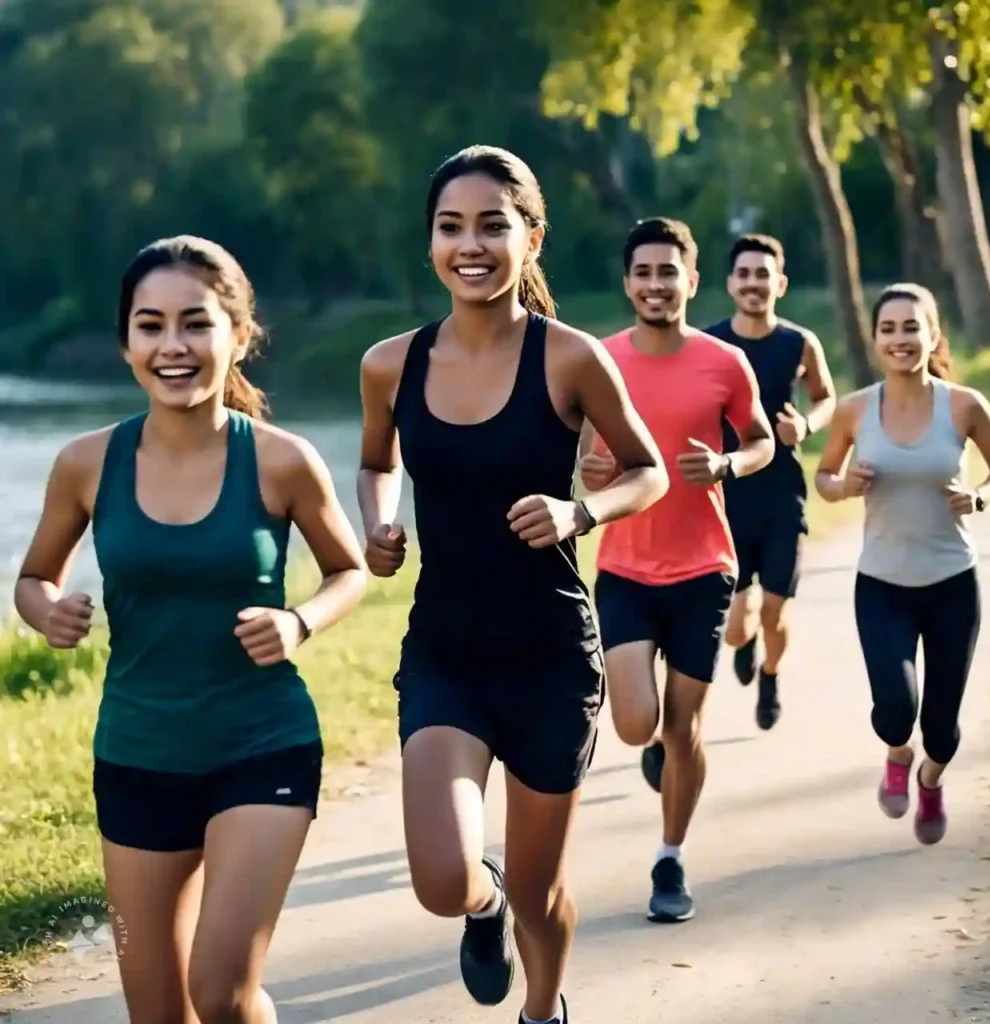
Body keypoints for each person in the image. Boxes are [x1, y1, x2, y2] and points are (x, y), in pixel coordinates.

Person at [13, 235, 369, 1024]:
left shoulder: (281, 461)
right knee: (157, 1014)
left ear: (239, 335)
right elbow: (33, 579)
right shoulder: (85, 464)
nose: (173, 346)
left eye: (196, 324)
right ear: (126, 342)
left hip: (262, 748)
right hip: (138, 757)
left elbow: (351, 572)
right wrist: (48, 613)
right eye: (150, 325)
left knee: (221, 991)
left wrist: (298, 620)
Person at [357, 146, 668, 1024]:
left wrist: (581, 514)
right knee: (442, 878)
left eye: (494, 225)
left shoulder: (569, 358)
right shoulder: (391, 365)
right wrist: (381, 525)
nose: (472, 245)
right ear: (430, 245)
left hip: (550, 660)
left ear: (531, 238)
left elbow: (647, 472)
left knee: (542, 892)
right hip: (446, 653)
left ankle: (542, 1010)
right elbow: (377, 464)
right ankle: (479, 907)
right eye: (451, 227)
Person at [579, 217, 775, 923]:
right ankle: (658, 753)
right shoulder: (598, 361)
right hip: (627, 565)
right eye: (644, 273)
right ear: (628, 283)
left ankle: (670, 858)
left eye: (669, 272)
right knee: (637, 724)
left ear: (691, 281)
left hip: (703, 567)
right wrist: (588, 474)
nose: (656, 285)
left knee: (684, 726)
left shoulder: (725, 363)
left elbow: (760, 443)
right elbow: (578, 458)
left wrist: (726, 463)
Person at [814, 282, 990, 845]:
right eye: (889, 329)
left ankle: (930, 777)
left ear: (932, 335)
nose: (900, 339)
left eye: (911, 328)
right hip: (882, 584)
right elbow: (824, 478)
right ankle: (899, 754)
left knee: (944, 730)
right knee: (895, 713)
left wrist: (980, 497)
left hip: (953, 583)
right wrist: (844, 484)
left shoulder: (964, 405)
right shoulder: (856, 410)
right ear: (876, 339)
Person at [703, 234, 837, 730]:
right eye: (744, 275)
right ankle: (747, 643)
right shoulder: (711, 344)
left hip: (783, 496)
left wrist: (805, 425)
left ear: (779, 283)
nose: (754, 284)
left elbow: (825, 397)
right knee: (736, 628)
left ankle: (771, 676)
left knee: (775, 613)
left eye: (763, 275)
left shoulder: (799, 343)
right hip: (728, 496)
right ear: (730, 283)